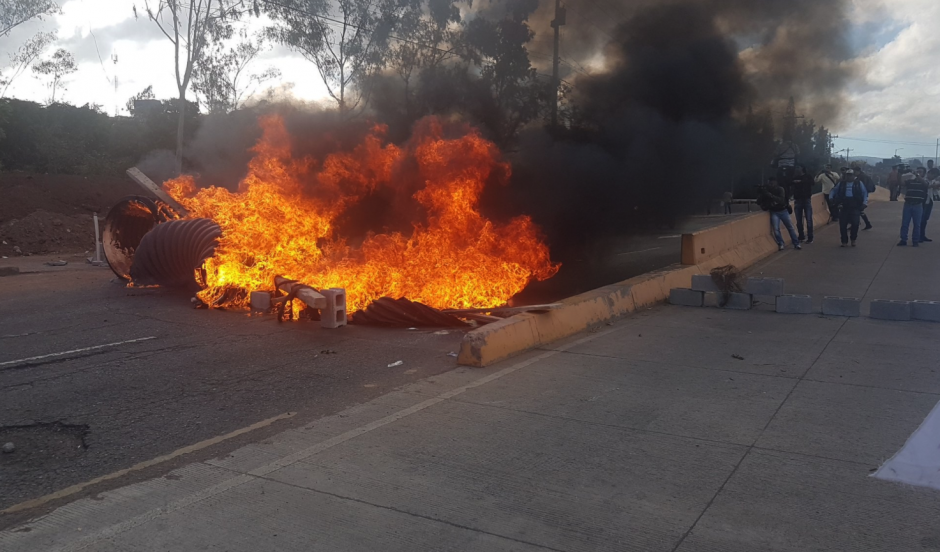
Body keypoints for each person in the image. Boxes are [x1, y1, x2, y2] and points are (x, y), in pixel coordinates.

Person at [758, 176, 801, 251]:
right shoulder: (767, 190)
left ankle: (796, 243)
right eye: (769, 183)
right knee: (776, 229)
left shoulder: (780, 189)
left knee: (790, 227)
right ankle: (781, 243)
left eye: (772, 183)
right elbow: (759, 201)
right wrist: (762, 192)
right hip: (774, 212)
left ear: (775, 182)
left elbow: (781, 200)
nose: (770, 185)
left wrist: (769, 194)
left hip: (783, 210)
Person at [830, 169, 868, 247]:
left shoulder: (858, 184)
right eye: (847, 175)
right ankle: (844, 241)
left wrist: (864, 203)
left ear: (854, 176)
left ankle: (853, 239)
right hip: (844, 205)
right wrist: (831, 198)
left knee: (855, 223)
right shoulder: (841, 184)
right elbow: (833, 190)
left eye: (851, 175)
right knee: (843, 225)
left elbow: (864, 193)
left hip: (855, 205)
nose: (849, 176)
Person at [898, 170, 928, 247]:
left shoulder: (924, 183)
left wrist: (917, 175)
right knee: (905, 223)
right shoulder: (910, 181)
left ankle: (915, 240)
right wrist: (902, 174)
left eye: (920, 172)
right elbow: (901, 183)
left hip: (918, 205)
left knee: (917, 224)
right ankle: (903, 239)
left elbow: (925, 183)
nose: (918, 173)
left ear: (923, 174)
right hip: (908, 204)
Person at [791, 165, 815, 243]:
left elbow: (812, 183)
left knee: (809, 219)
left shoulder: (807, 176)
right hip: (797, 200)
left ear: (802, 168)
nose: (796, 168)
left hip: (806, 199)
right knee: (798, 220)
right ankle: (801, 236)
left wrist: (801, 182)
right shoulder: (794, 177)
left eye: (798, 167)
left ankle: (810, 237)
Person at [852, 163, 875, 230]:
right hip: (861, 196)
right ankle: (865, 224)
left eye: (855, 172)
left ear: (857, 171)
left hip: (861, 196)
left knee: (858, 210)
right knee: (859, 211)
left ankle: (863, 224)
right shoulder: (862, 176)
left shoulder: (862, 177)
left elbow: (862, 188)